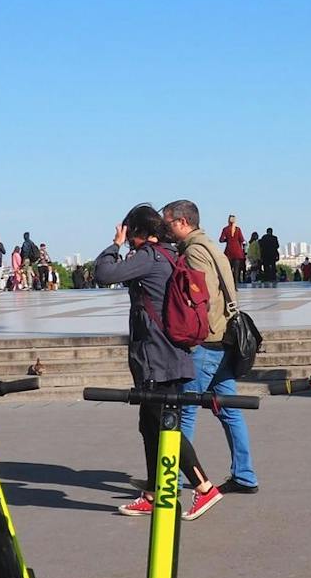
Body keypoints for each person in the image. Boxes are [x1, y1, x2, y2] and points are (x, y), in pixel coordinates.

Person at [95, 204, 222, 520]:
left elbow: (103, 274)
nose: (129, 243)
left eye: (130, 235)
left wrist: (114, 244)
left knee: (165, 427)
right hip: (171, 355)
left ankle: (204, 487)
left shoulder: (150, 257)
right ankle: (155, 493)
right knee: (150, 425)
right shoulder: (168, 254)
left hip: (158, 359)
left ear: (138, 232)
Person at [163, 200, 258, 497]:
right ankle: (244, 475)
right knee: (229, 410)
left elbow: (202, 300)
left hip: (208, 342)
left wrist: (194, 336)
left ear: (181, 222)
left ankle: (174, 482)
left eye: (167, 223)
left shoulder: (194, 252)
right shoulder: (211, 247)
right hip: (225, 339)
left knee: (184, 411)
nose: (165, 229)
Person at [219, 214, 247, 282]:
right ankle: (236, 285)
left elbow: (221, 240)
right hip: (237, 252)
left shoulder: (225, 229)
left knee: (228, 270)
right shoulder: (238, 229)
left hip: (229, 252)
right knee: (236, 270)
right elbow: (242, 239)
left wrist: (227, 240)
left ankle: (229, 284)